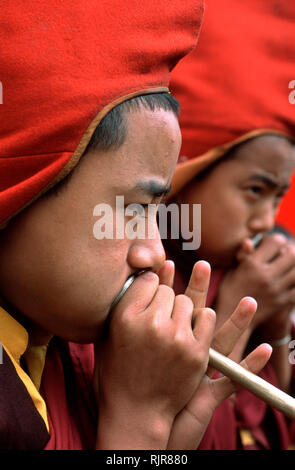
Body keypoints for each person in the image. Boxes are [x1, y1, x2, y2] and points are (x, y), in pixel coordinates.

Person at [0, 0, 271, 450]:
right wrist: (137, 426)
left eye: (156, 212)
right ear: (21, 186)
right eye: (131, 210)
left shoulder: (75, 354)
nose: (154, 253)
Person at [166, 0, 295, 450]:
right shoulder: (144, 282)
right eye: (255, 191)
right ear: (187, 170)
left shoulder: (251, 264)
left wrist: (276, 326)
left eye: (279, 196)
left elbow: (279, 423)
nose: (267, 220)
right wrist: (234, 312)